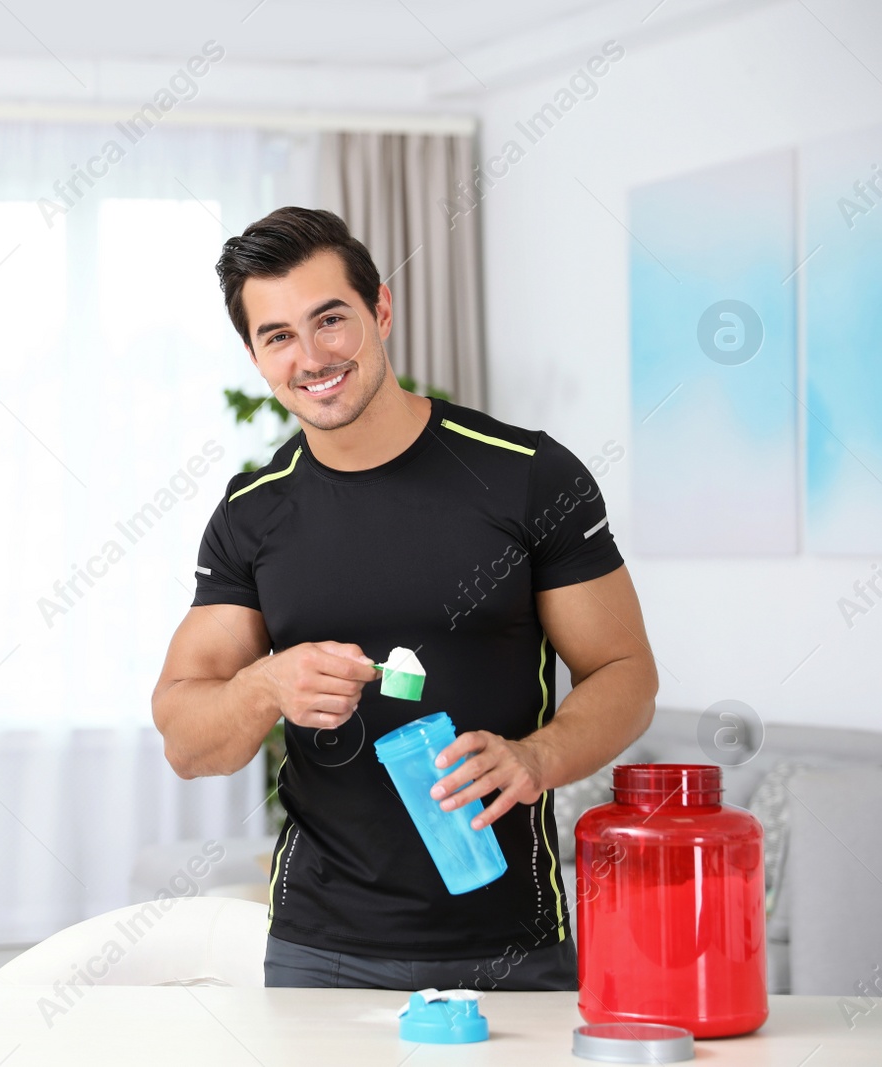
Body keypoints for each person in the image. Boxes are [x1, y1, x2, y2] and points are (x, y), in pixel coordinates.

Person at [151, 207, 658, 991]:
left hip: (512, 942)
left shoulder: (528, 474)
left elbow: (626, 673)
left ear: (380, 310)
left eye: (331, 320)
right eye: (278, 335)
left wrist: (536, 757)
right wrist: (264, 684)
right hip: (318, 947)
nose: (312, 356)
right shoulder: (253, 511)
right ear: (255, 354)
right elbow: (188, 740)